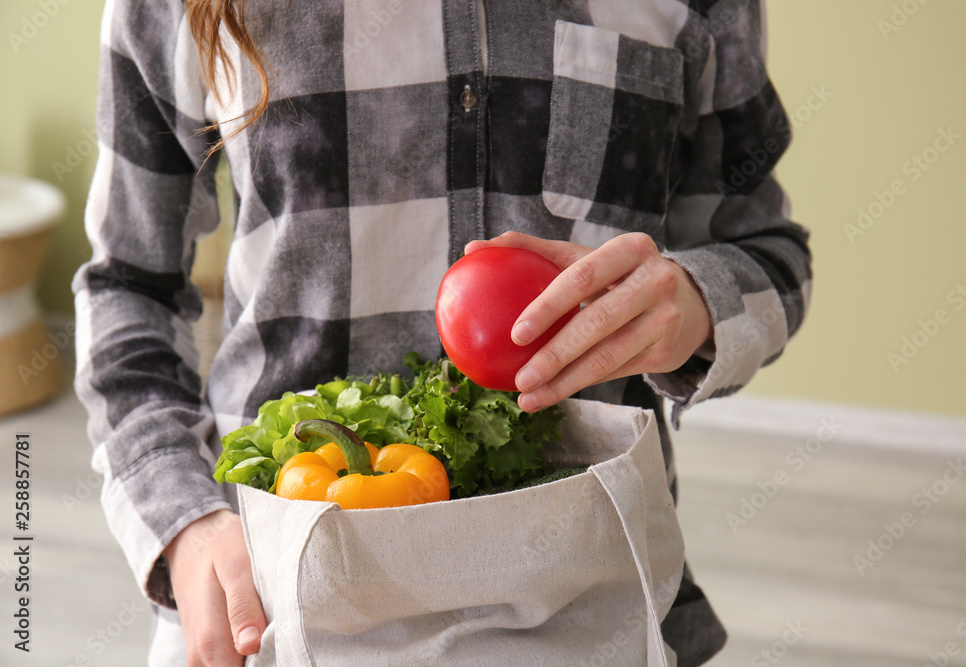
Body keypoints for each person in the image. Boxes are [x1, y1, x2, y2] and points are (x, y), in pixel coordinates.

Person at [73, 0, 811, 664]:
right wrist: (184, 522)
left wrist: (693, 302)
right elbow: (127, 286)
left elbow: (769, 251)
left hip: (579, 593)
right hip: (271, 591)